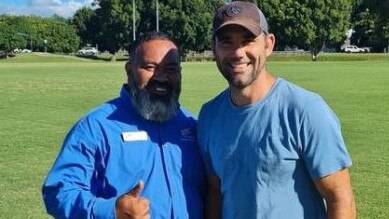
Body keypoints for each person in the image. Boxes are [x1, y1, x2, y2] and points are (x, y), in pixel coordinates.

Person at [197, 1, 356, 219]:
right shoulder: (209, 116)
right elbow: (215, 193)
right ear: (214, 47)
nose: (238, 52)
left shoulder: (306, 110)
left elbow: (339, 197)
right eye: (226, 42)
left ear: (268, 44)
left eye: (248, 40)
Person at [42, 31, 205, 219]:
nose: (161, 77)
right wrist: (112, 211)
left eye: (171, 68)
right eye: (150, 67)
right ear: (129, 70)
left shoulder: (193, 125)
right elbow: (59, 193)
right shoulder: (96, 127)